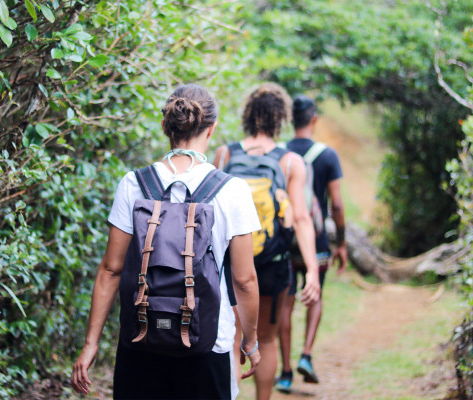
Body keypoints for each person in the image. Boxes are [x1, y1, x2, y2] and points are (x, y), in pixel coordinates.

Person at [71, 84, 262, 400]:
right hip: (207, 344)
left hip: (140, 340)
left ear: (166, 126)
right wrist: (250, 341)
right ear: (211, 130)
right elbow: (244, 280)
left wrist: (91, 344)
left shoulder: (134, 184)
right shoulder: (232, 190)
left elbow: (110, 271)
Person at [214, 83, 321, 400]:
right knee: (268, 340)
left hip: (231, 263)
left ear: (248, 115)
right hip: (273, 264)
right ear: (281, 118)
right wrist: (312, 269)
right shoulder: (290, 162)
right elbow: (301, 218)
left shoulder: (224, 154)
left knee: (233, 339)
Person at [275, 94, 347, 392]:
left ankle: (287, 371)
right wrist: (341, 243)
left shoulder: (279, 153)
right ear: (313, 119)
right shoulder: (328, 155)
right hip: (315, 239)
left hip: (287, 239)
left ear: (291, 120)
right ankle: (306, 355)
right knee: (315, 295)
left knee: (286, 302)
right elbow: (338, 206)